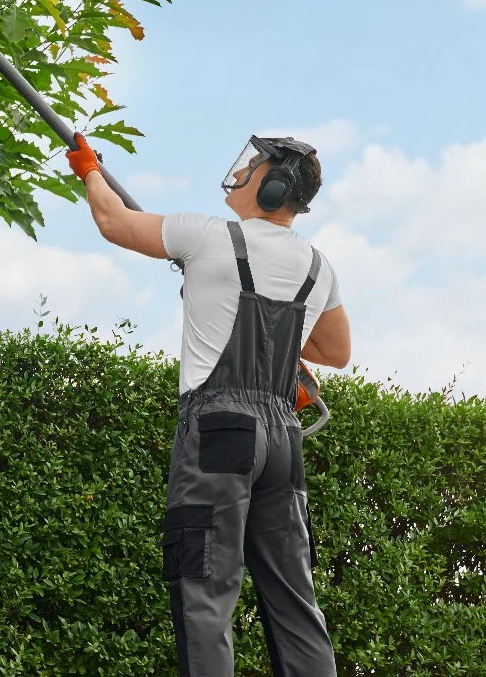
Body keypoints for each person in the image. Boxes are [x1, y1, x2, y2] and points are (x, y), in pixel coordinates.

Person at [68, 133, 349, 677]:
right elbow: (335, 351)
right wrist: (281, 345)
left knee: (205, 588)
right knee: (294, 598)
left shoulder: (205, 236)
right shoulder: (319, 269)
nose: (241, 175)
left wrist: (89, 169)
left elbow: (113, 221)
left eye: (254, 169)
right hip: (283, 441)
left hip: (219, 429)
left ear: (274, 186)